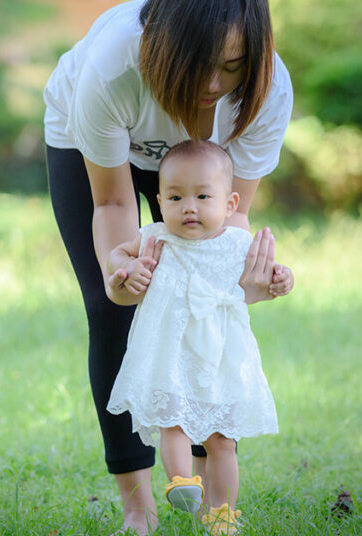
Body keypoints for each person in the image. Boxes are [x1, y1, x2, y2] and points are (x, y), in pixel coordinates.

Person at [43, 0, 294, 533]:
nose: (213, 82)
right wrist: (120, 272)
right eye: (200, 62)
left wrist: (240, 281)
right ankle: (140, 507)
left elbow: (235, 214)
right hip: (91, 145)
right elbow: (112, 205)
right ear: (164, 45)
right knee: (113, 312)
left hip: (200, 173)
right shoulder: (112, 68)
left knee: (203, 311)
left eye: (232, 66)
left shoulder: (268, 90)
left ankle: (209, 488)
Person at [106, 140, 279, 535]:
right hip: (171, 353)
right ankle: (182, 482)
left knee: (223, 442)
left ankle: (223, 515)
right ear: (160, 201)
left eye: (203, 196)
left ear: (230, 203)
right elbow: (117, 252)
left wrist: (280, 278)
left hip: (220, 357)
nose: (189, 207)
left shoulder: (237, 242)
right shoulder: (155, 237)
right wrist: (126, 267)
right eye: (176, 197)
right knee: (173, 423)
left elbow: (263, 278)